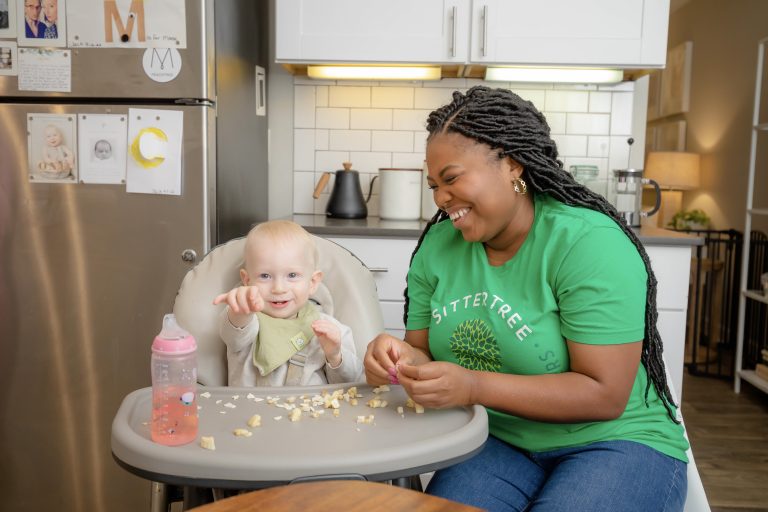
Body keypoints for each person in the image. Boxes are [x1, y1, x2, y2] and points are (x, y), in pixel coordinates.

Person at [364, 86, 689, 512]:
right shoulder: (438, 246)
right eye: (433, 185)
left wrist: (474, 385)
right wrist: (397, 359)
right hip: (498, 439)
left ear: (512, 164)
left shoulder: (587, 243)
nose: (441, 198)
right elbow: (422, 352)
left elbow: (604, 395)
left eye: (452, 179)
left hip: (615, 440)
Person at [213, 220, 363, 387]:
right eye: (265, 276)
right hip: (248, 411)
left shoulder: (330, 330)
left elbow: (350, 382)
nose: (278, 288)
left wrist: (335, 355)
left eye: (292, 275)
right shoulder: (246, 320)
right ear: (247, 280)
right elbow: (233, 337)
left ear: (312, 282)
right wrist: (240, 311)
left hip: (310, 411)